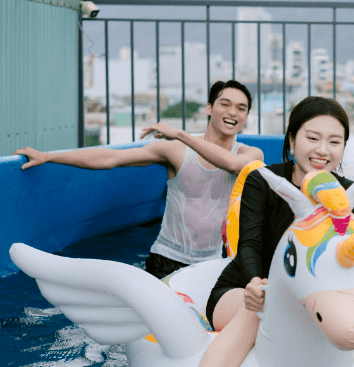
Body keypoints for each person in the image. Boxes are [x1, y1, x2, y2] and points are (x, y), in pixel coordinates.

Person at [172, 96, 354, 367]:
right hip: (245, 289)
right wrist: (255, 282)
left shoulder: (347, 195)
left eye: (334, 141)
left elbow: (353, 261)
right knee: (262, 308)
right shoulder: (264, 180)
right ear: (292, 139)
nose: (322, 150)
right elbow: (249, 244)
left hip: (313, 296)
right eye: (312, 138)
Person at [15, 80, 264, 278]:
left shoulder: (250, 155)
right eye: (225, 104)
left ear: (246, 117)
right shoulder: (176, 151)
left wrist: (180, 134)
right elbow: (111, 158)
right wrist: (49, 157)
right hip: (166, 260)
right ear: (209, 108)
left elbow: (232, 165)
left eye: (241, 108)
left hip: (211, 264)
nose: (233, 112)